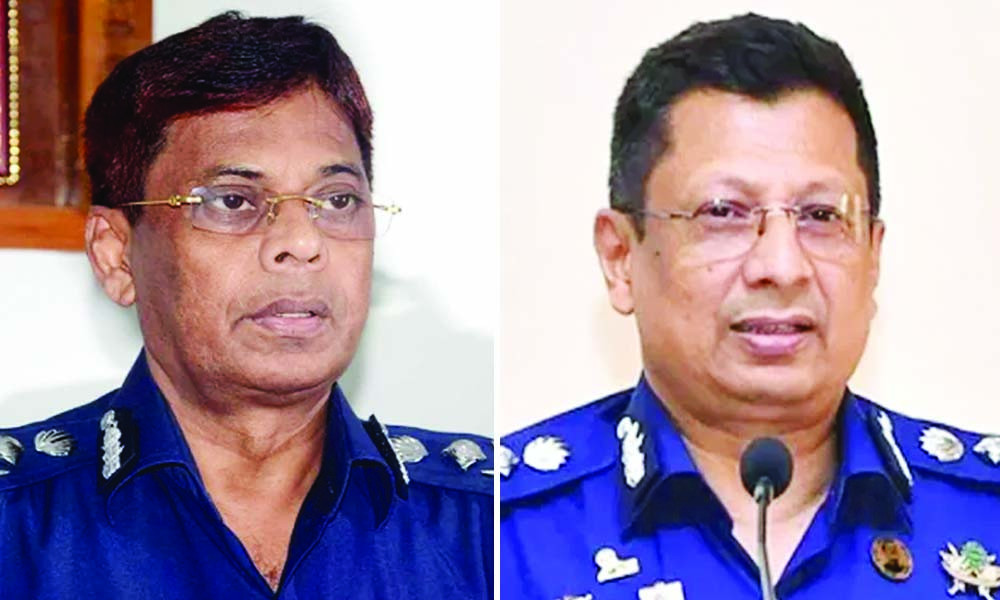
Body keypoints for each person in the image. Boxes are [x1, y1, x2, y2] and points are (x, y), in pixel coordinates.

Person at [500, 13, 1000, 600]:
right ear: (620, 257)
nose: (782, 266)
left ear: (873, 257)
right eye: (723, 213)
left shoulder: (984, 515)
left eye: (821, 216)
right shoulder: (500, 536)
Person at [0, 12, 492, 599]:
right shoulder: (17, 525)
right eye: (233, 201)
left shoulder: (489, 524)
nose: (303, 243)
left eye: (337, 200)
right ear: (117, 255)